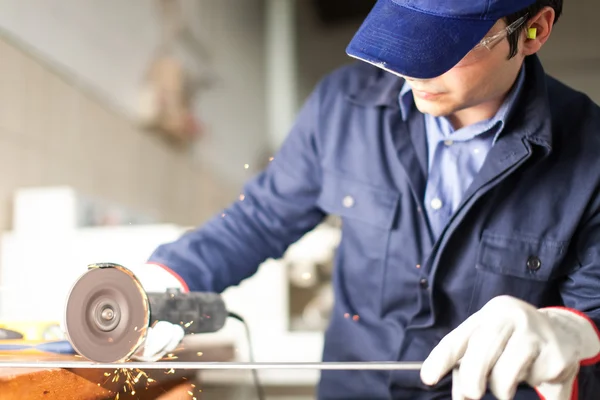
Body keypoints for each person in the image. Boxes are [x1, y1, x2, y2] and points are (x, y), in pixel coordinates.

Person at [134, 0, 600, 398]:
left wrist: (572, 331)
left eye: (446, 46)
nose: (412, 68)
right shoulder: (342, 108)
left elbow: (592, 310)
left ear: (534, 30)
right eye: (404, 37)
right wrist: (164, 282)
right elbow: (260, 218)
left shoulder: (591, 152)